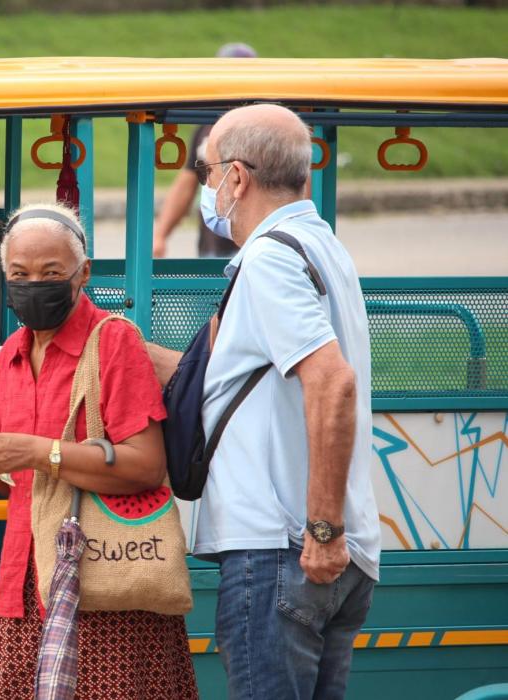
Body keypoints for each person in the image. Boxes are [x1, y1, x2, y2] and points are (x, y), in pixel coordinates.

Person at [147, 104, 379, 699]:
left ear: (238, 178)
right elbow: (229, 379)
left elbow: (332, 382)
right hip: (326, 554)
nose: (204, 186)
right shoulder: (317, 243)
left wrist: (321, 529)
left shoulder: (271, 258)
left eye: (206, 171)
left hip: (279, 548)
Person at [0, 203, 198, 699]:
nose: (35, 284)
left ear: (83, 274)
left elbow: (145, 464)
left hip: (104, 589)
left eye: (51, 273)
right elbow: (15, 486)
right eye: (20, 274)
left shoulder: (113, 342)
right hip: (24, 587)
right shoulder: (8, 357)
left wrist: (40, 451)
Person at [152, 42, 257, 258]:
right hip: (212, 249)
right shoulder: (207, 124)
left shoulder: (265, 125)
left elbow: (295, 183)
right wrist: (160, 235)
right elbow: (188, 181)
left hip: (256, 247)